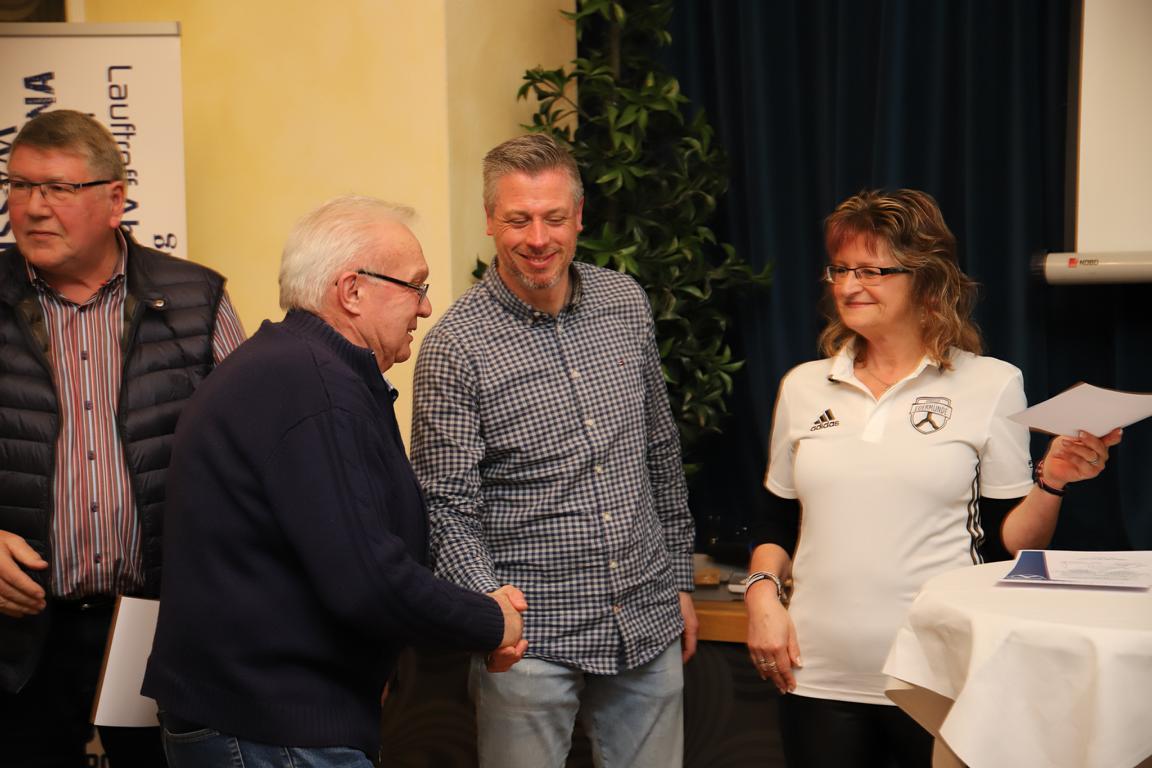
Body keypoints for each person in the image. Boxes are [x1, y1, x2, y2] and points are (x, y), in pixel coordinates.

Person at [141, 196, 528, 767]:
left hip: (263, 722)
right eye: (415, 286)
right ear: (352, 291)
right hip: (272, 729)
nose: (425, 307)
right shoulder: (313, 387)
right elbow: (369, 580)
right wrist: (493, 621)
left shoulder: (296, 368)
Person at [744, 188, 1123, 768]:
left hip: (936, 676)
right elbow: (776, 522)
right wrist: (761, 597)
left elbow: (1009, 545)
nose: (848, 286)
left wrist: (1052, 480)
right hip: (815, 674)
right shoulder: (803, 386)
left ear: (926, 281)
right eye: (840, 269)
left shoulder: (990, 383)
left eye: (871, 271)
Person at [410, 133, 698, 768]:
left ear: (579, 217)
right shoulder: (454, 347)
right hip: (530, 643)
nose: (538, 238)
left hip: (646, 620)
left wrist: (678, 577)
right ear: (490, 219)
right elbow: (444, 505)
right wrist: (492, 610)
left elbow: (658, 446)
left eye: (554, 217)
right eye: (518, 219)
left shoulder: (625, 303)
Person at [0, 109, 246, 767]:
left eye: (58, 188)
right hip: (19, 639)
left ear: (115, 200)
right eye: (20, 186)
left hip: (159, 625)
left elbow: (252, 458)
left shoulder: (196, 301)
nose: (33, 207)